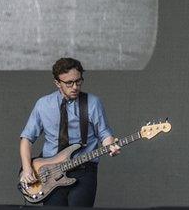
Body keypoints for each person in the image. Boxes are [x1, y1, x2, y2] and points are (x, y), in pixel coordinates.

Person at [19, 57, 119, 206]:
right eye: (69, 83)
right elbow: (26, 139)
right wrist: (27, 169)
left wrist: (111, 145)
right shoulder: (43, 104)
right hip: (50, 174)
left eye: (78, 81)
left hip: (84, 171)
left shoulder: (92, 103)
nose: (75, 87)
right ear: (57, 83)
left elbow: (104, 134)